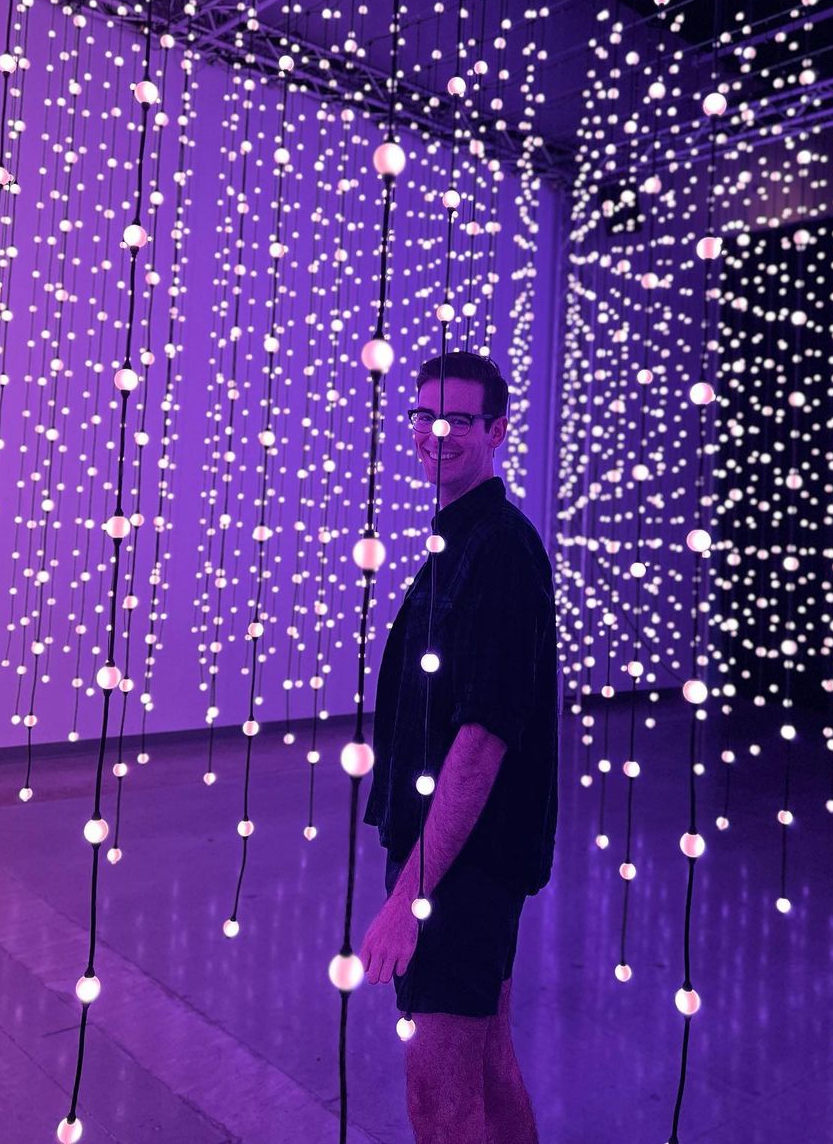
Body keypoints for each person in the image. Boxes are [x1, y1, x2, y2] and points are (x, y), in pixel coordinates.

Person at [361, 350, 559, 1144]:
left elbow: (481, 740)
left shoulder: (499, 551)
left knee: (439, 1100)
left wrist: (409, 900)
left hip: (460, 868)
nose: (436, 433)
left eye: (459, 419)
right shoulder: (462, 542)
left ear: (497, 430)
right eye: (424, 416)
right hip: (464, 860)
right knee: (487, 1065)